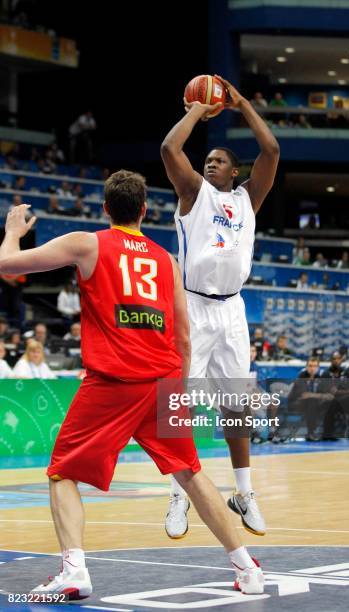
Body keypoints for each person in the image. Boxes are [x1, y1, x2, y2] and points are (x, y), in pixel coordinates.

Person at [0, 174, 264, 597]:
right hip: (164, 381)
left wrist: (13, 232)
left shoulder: (87, 244)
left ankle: (74, 570)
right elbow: (183, 337)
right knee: (192, 474)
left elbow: (7, 266)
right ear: (144, 211)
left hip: (114, 382)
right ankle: (247, 568)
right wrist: (176, 392)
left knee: (62, 473)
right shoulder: (167, 261)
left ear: (106, 209)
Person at [161, 74, 279, 538]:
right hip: (192, 307)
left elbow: (270, 151)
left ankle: (243, 493)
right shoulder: (194, 193)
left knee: (237, 407)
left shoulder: (248, 198)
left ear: (234, 171)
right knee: (178, 405)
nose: (209, 164)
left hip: (232, 311)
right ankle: (178, 495)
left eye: (219, 160)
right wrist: (198, 107)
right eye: (207, 160)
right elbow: (171, 150)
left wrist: (240, 103)